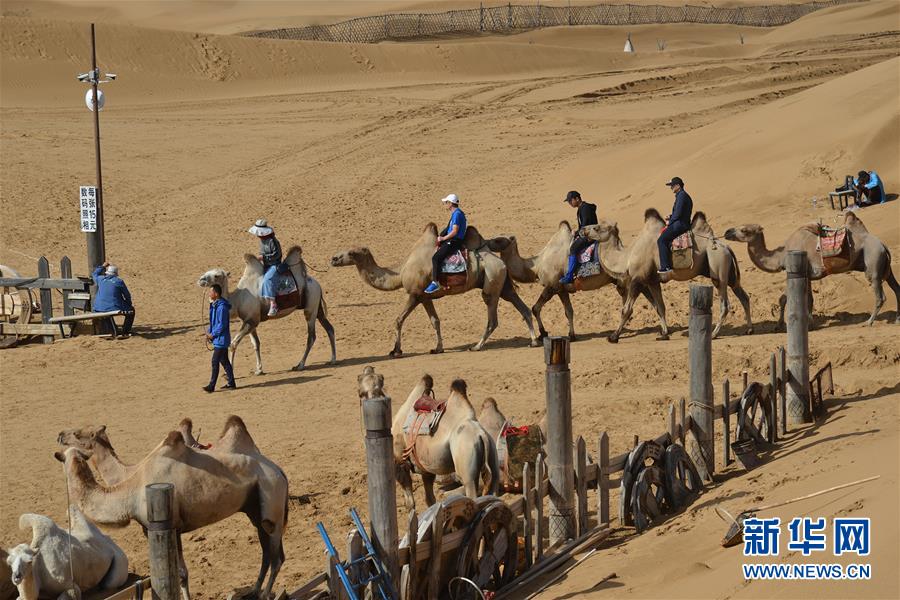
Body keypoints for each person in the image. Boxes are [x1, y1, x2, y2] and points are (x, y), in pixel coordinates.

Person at [425, 193, 467, 294]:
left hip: (454, 241)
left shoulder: (457, 214)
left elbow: (454, 231)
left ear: (450, 203)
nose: (445, 204)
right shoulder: (456, 213)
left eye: (446, 202)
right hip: (451, 240)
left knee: (436, 258)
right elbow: (448, 228)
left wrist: (444, 238)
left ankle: (435, 282)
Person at [559, 190, 599, 285]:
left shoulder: (585, 208)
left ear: (577, 199)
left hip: (590, 235)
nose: (570, 203)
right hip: (587, 233)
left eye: (570, 201)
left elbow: (585, 226)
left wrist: (576, 233)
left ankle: (569, 277)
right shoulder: (581, 208)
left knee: (573, 249)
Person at [657, 176, 693, 276]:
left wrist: (670, 222)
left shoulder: (681, 196)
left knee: (661, 240)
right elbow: (679, 213)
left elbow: (678, 214)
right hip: (681, 222)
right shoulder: (682, 195)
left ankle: (665, 267)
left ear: (678, 185)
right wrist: (671, 216)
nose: (671, 188)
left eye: (672, 185)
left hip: (680, 225)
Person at [204, 283, 236, 393]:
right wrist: (209, 332)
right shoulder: (215, 305)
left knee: (215, 361)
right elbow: (214, 322)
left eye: (211, 291)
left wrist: (213, 334)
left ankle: (211, 385)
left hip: (221, 340)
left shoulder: (221, 307)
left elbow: (221, 324)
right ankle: (232, 383)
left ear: (216, 294)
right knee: (225, 361)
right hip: (219, 339)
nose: (209, 293)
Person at [248, 219, 282, 316]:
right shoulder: (262, 241)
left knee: (267, 279)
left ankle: (273, 304)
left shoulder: (273, 241)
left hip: (275, 265)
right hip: (266, 265)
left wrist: (263, 257)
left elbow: (277, 254)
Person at [91, 261, 134, 335]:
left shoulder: (101, 279)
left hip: (98, 307)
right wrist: (128, 304)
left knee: (106, 313)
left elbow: (94, 274)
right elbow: (127, 295)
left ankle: (113, 330)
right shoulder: (119, 281)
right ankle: (126, 331)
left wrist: (103, 266)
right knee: (131, 311)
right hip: (114, 307)